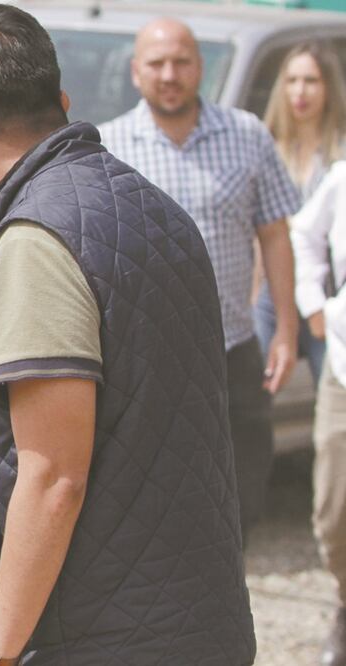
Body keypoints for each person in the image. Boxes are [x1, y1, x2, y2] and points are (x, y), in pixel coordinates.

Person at [0, 5, 253, 663]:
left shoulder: (38, 241)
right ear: (62, 103)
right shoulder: (152, 209)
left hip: (100, 637)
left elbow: (54, 477)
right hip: (200, 619)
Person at [98, 18, 303, 538]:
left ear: (200, 68)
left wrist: (284, 331)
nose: (170, 74)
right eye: (157, 63)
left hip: (231, 346)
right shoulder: (108, 146)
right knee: (149, 487)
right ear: (136, 72)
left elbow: (275, 235)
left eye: (181, 62)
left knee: (242, 482)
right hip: (144, 351)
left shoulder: (247, 135)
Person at [255, 41, 346, 386]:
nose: (300, 91)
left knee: (334, 385)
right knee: (257, 383)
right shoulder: (267, 145)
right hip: (273, 288)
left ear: (328, 87)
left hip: (327, 291)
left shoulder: (340, 153)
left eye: (311, 80)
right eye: (292, 80)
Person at [290, 159, 346, 665]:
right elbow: (302, 233)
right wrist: (314, 302)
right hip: (345, 369)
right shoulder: (342, 177)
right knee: (334, 511)